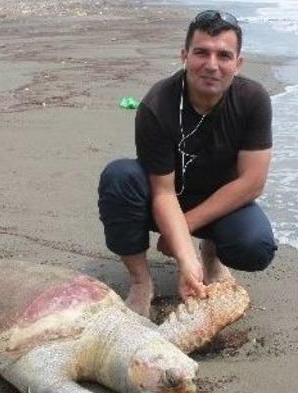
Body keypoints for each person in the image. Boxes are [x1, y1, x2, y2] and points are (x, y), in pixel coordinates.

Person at [98, 9, 276, 317]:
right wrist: (184, 258)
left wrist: (185, 231)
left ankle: (211, 253)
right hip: (164, 197)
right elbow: (163, 192)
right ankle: (141, 283)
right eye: (201, 53)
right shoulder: (157, 105)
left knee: (255, 246)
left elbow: (252, 182)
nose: (211, 65)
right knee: (119, 177)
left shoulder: (253, 100)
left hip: (218, 200)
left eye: (224, 55)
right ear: (184, 55)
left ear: (238, 63)